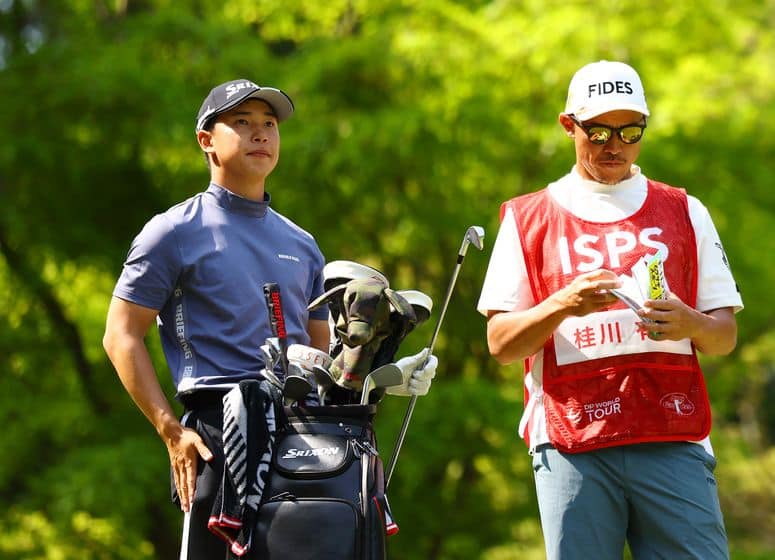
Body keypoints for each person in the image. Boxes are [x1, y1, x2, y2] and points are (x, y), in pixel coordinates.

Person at [102, 78, 437, 559]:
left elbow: (322, 356)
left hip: (303, 428)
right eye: (242, 122)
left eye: (269, 124)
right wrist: (171, 431)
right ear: (206, 141)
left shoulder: (302, 243)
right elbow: (121, 336)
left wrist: (383, 375)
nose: (260, 134)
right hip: (218, 432)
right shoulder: (173, 231)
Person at [477, 60, 743, 560]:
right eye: (597, 131)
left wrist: (690, 322)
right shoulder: (528, 216)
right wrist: (563, 304)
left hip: (672, 433)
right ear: (568, 126)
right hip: (570, 439)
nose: (613, 145)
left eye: (629, 130)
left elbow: (724, 336)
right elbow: (501, 343)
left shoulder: (685, 209)